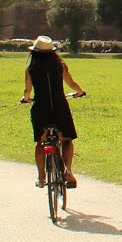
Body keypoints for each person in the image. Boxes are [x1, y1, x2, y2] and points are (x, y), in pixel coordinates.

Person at [20, 34, 86, 187]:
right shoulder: (60, 66)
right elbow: (71, 83)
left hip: (40, 108)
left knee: (40, 142)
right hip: (59, 107)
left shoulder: (31, 69)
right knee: (66, 139)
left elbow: (27, 90)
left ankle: (41, 176)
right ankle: (68, 171)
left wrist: (26, 98)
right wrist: (80, 92)